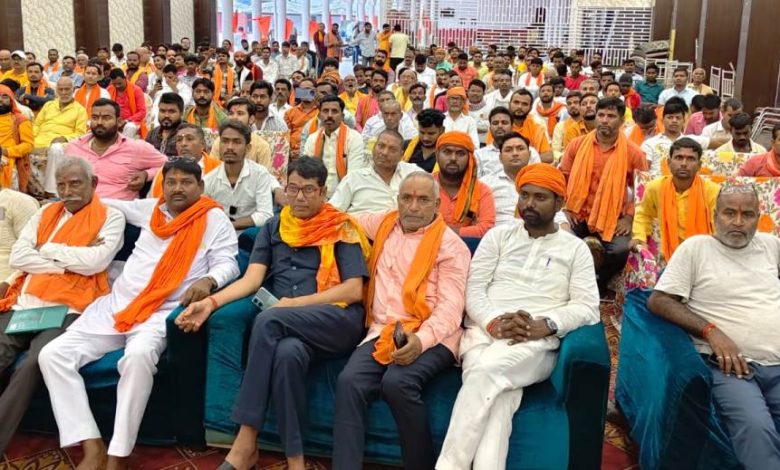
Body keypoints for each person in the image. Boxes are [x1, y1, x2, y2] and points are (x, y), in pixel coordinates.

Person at [38, 158, 239, 470]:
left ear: (200, 186)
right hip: (117, 305)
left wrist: (209, 280)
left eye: (186, 182)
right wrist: (59, 204)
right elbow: (107, 203)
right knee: (52, 356)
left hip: (162, 312)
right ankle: (91, 444)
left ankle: (118, 453)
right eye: (171, 182)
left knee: (138, 358)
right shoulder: (150, 210)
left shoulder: (214, 219)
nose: (177, 188)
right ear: (162, 186)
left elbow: (229, 262)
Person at [182, 156, 370, 470]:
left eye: (308, 190)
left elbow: (353, 291)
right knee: (287, 355)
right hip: (288, 328)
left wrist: (293, 305)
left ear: (323, 192)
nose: (299, 197)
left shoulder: (341, 227)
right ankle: (295, 460)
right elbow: (251, 280)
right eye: (292, 188)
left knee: (268, 319)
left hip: (335, 320)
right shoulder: (273, 227)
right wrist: (211, 303)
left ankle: (245, 440)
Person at [437, 163, 599, 470]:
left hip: (533, 342)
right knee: (499, 401)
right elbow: (474, 289)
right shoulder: (498, 237)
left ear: (559, 203)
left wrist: (546, 324)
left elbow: (588, 306)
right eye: (524, 195)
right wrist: (494, 322)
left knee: (484, 373)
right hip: (484, 333)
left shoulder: (575, 249)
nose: (529, 203)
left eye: (540, 197)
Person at [333, 170, 470, 470]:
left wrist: (420, 341)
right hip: (383, 330)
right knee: (349, 381)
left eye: (423, 200)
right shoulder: (385, 224)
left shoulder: (451, 247)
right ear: (397, 201)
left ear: (437, 205)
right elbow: (342, 219)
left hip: (433, 334)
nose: (413, 207)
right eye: (406, 198)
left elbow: (451, 309)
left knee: (398, 383)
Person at [647, 183, 780, 470]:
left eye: (747, 215)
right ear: (714, 216)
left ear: (758, 218)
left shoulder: (771, 246)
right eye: (729, 213)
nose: (738, 222)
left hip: (777, 363)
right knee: (757, 429)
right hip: (734, 367)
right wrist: (711, 331)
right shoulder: (696, 248)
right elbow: (659, 300)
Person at [0, 157, 124, 457]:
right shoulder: (45, 212)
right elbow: (19, 256)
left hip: (68, 309)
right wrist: (67, 263)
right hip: (25, 303)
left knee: (34, 362)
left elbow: (96, 262)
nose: (67, 192)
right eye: (61, 185)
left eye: (75, 184)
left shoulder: (111, 217)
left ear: (93, 183)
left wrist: (46, 249)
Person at [559, 97, 647, 295]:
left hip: (612, 217)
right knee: (559, 239)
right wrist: (566, 206)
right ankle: (569, 282)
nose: (605, 120)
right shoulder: (576, 145)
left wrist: (628, 217)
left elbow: (642, 190)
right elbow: (562, 177)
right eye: (601, 115)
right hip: (578, 213)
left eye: (611, 116)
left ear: (622, 121)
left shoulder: (634, 153)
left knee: (620, 250)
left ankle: (598, 281)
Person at [630, 138, 720, 262]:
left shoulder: (713, 191)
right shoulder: (655, 187)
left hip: (703, 256)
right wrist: (640, 237)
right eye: (679, 158)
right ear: (669, 162)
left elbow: (718, 226)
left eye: (690, 159)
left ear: (699, 166)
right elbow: (644, 214)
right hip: (668, 256)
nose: (684, 163)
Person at [63, 98, 166, 200]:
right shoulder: (74, 147)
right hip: (82, 206)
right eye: (95, 117)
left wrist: (146, 175)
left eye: (106, 118)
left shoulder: (136, 148)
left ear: (119, 122)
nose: (99, 122)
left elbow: (167, 165)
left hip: (119, 207)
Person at [205, 120, 275, 231]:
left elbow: (265, 215)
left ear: (247, 148)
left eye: (237, 142)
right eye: (225, 141)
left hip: (250, 235)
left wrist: (230, 225)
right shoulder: (209, 179)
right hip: (218, 234)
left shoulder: (260, 174)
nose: (229, 147)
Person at [331, 129, 419, 214]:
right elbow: (331, 212)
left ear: (401, 155)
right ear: (373, 148)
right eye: (381, 146)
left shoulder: (412, 173)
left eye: (392, 149)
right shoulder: (353, 179)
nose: (384, 152)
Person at [31, 77, 88, 197]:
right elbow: (36, 125)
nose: (63, 92)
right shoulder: (48, 105)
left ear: (73, 90)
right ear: (56, 90)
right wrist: (31, 139)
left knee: (55, 148)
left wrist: (64, 138)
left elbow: (81, 134)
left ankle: (51, 191)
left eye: (67, 89)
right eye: (60, 89)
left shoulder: (80, 110)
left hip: (60, 144)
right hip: (39, 141)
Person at [302, 95, 367, 197]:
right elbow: (306, 172)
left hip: (345, 196)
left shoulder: (354, 138)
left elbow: (353, 177)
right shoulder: (312, 139)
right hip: (316, 196)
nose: (329, 115)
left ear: (342, 116)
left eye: (334, 111)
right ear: (320, 115)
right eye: (325, 111)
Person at [435, 131, 496, 239]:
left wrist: (439, 230)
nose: (453, 158)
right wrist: (469, 230)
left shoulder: (482, 190)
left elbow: (486, 229)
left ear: (470, 158)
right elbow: (416, 224)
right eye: (447, 152)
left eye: (460, 153)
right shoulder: (424, 185)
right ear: (437, 155)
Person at [147, 124, 222, 199]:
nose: (183, 144)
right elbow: (151, 202)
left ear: (202, 144)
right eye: (179, 140)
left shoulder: (219, 169)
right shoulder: (163, 171)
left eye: (189, 139)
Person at [641, 100, 712, 174]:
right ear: (663, 120)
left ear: (684, 121)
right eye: (670, 117)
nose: (674, 121)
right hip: (658, 180)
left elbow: (717, 142)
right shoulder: (649, 143)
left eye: (678, 118)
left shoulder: (692, 140)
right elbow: (642, 171)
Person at [476, 107, 540, 178]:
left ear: (512, 127)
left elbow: (538, 177)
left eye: (504, 123)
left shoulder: (530, 152)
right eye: (495, 123)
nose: (500, 126)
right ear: (490, 128)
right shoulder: (479, 155)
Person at [0, 84, 33, 190]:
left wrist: (6, 151)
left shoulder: (20, 120)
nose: (0, 100)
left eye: (4, 96)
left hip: (9, 157)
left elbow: (28, 145)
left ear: (11, 100)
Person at [507, 89, 553, 163]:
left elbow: (548, 157)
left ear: (531, 108)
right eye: (516, 102)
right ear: (509, 104)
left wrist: (519, 162)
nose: (519, 107)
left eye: (524, 104)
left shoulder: (537, 125)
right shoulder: (500, 124)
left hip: (530, 168)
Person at [107, 69, 147, 138]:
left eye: (119, 83)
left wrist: (126, 121)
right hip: (114, 120)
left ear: (125, 78)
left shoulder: (136, 90)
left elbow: (142, 111)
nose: (117, 86)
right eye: (114, 84)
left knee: (129, 127)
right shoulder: (109, 90)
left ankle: (125, 145)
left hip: (132, 121)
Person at [284, 78, 319, 156]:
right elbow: (285, 135)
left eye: (308, 89)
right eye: (302, 90)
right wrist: (289, 152)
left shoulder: (321, 112)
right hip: (293, 153)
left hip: (314, 152)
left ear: (315, 91)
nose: (305, 92)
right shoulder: (290, 112)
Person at [404, 109, 445, 173]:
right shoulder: (406, 146)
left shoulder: (448, 151)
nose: (425, 138)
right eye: (422, 132)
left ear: (442, 130)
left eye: (431, 133)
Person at [146, 92, 184, 157]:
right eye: (162, 111)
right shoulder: (152, 134)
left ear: (181, 113)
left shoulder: (187, 134)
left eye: (171, 111)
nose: (166, 115)